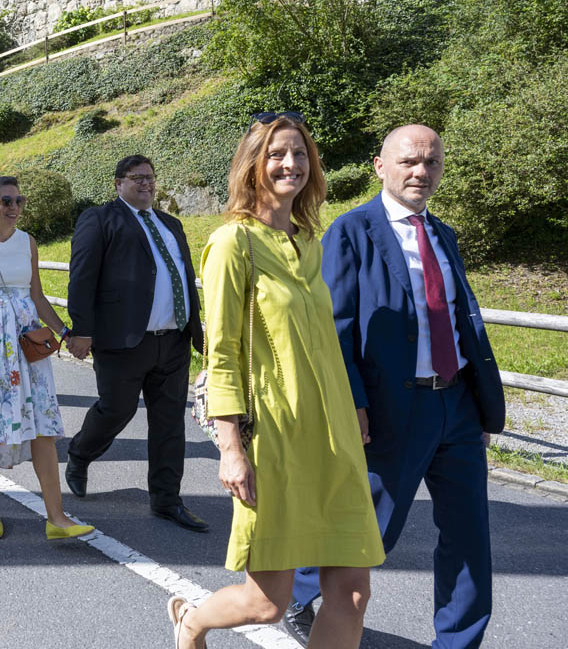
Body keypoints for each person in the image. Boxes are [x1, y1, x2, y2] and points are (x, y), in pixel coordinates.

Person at [285, 124, 505, 649]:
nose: (420, 172)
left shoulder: (443, 234)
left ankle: (458, 641)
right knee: (371, 528)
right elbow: (333, 329)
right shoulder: (352, 231)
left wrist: (479, 404)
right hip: (389, 408)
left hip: (457, 404)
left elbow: (461, 320)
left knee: (469, 535)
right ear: (380, 166)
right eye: (408, 161)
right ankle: (298, 592)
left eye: (431, 162)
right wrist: (354, 402)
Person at [169, 112, 383, 649]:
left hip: (334, 439)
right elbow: (221, 353)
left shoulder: (310, 242)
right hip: (275, 439)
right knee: (268, 603)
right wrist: (230, 449)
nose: (292, 163)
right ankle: (192, 620)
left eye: (300, 153)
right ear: (252, 166)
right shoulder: (232, 243)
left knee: (353, 592)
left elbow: (327, 342)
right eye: (277, 154)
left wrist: (354, 408)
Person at [0, 176, 93, 540]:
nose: (15, 208)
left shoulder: (27, 242)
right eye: (7, 201)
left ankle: (57, 517)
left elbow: (37, 297)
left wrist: (65, 333)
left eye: (19, 201)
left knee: (43, 425)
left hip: (26, 343)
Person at [64, 154, 207, 531]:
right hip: (123, 340)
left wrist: (197, 330)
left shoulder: (171, 224)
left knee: (170, 423)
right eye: (137, 177)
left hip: (173, 340)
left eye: (150, 177)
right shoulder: (100, 219)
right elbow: (82, 277)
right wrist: (82, 329)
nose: (146, 183)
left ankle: (166, 499)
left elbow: (183, 276)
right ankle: (80, 453)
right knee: (117, 410)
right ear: (118, 183)